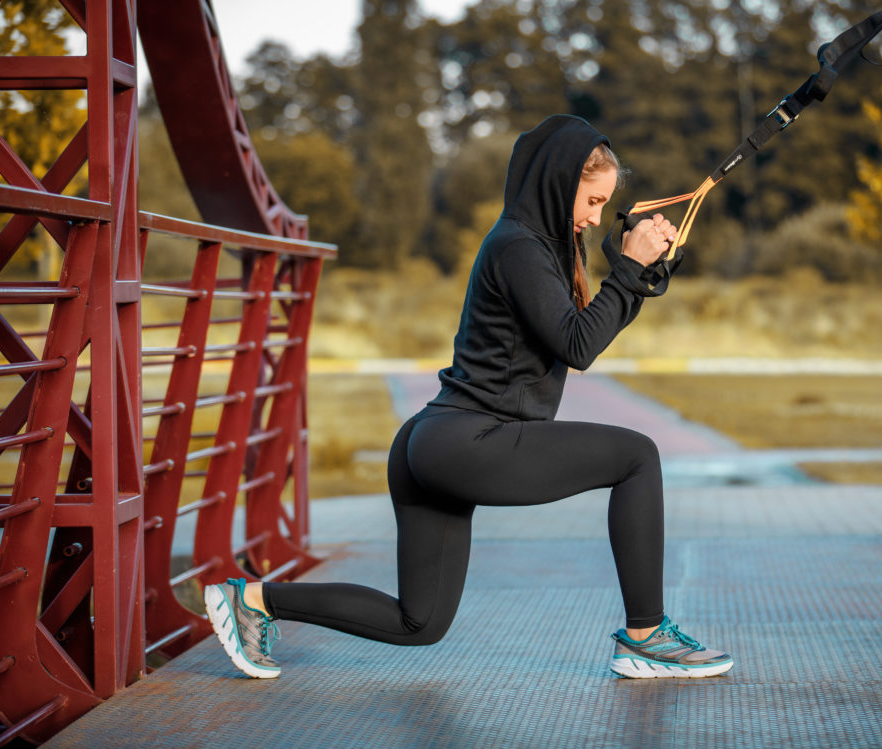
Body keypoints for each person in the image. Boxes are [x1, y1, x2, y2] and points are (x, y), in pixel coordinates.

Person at [203, 114, 733, 680]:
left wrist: (636, 277)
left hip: (436, 442)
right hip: (468, 441)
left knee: (419, 622)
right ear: (559, 183)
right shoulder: (519, 248)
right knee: (637, 457)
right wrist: (628, 270)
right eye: (592, 200)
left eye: (605, 205)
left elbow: (577, 336)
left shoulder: (534, 248)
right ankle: (646, 636)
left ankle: (250, 601)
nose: (595, 216)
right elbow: (579, 347)